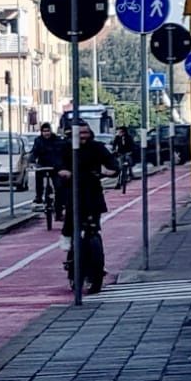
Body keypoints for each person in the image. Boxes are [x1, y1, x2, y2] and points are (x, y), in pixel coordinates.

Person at [58, 123, 120, 292]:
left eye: (86, 132)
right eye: (80, 133)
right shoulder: (67, 148)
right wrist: (63, 171)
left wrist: (113, 170)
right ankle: (68, 239)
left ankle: (97, 263)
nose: (83, 136)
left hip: (92, 191)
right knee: (72, 217)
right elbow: (59, 162)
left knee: (94, 227)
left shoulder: (97, 147)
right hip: (74, 190)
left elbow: (111, 162)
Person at [29, 123, 61, 207]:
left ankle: (59, 198)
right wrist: (32, 162)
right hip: (42, 165)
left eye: (48, 131)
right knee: (38, 178)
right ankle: (39, 196)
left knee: (58, 183)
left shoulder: (57, 140)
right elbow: (34, 152)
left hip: (55, 165)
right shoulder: (38, 140)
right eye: (44, 131)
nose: (46, 133)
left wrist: (59, 164)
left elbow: (61, 152)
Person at [111, 127, 137, 193]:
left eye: (120, 132)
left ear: (124, 132)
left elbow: (132, 145)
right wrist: (114, 150)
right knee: (120, 167)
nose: (119, 133)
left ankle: (131, 172)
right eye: (119, 132)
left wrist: (131, 151)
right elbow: (114, 145)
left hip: (128, 152)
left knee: (129, 159)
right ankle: (118, 182)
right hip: (120, 153)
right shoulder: (117, 138)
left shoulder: (129, 137)